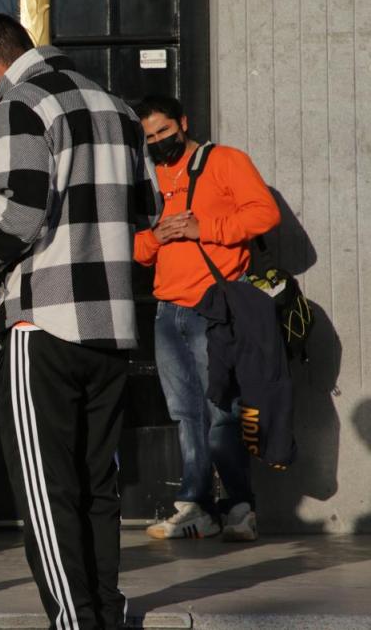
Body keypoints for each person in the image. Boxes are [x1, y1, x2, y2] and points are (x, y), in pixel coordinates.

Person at [0, 14, 162, 630]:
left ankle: (75, 622)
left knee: (46, 492)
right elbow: (148, 207)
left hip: (44, 323)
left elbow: (19, 212)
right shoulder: (119, 107)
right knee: (98, 485)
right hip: (114, 323)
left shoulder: (20, 100)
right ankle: (105, 611)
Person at [133, 95, 280, 542]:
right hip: (166, 310)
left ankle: (240, 507)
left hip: (214, 306)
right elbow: (136, 251)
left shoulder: (225, 161)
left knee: (222, 412)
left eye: (164, 131)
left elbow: (265, 213)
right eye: (150, 136)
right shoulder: (150, 176)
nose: (158, 142)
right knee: (184, 414)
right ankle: (196, 505)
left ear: (183, 121)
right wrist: (157, 236)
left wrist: (208, 229)